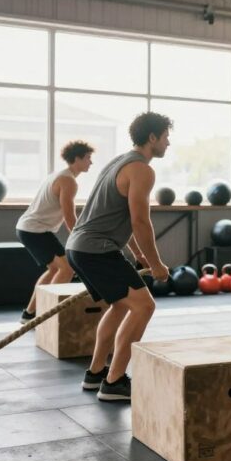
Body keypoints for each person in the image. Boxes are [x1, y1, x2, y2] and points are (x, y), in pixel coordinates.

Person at [67, 112, 171, 402]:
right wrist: (156, 264)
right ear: (152, 138)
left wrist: (137, 255)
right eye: (165, 137)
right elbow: (140, 222)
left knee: (120, 306)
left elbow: (116, 216)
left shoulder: (119, 161)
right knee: (144, 307)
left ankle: (96, 372)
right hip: (95, 249)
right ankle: (114, 382)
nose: (168, 143)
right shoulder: (142, 170)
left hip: (78, 246)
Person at [16, 140, 94, 323]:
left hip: (31, 229)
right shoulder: (68, 181)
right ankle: (47, 316)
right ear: (77, 159)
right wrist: (79, 240)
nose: (91, 162)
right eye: (88, 158)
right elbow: (69, 215)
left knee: (54, 270)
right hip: (35, 230)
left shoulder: (60, 176)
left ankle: (29, 314)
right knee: (66, 269)